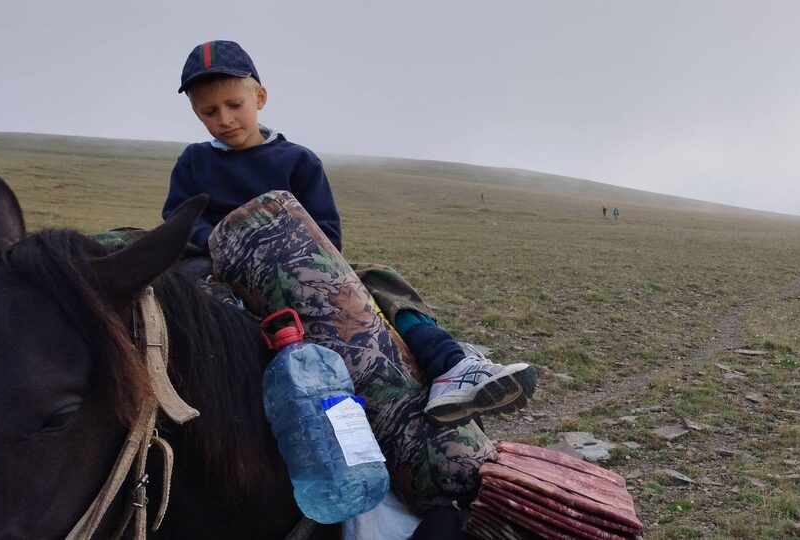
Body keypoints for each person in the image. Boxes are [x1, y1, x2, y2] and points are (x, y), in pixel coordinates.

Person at [161, 40, 536, 425]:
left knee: (378, 280)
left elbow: (326, 233)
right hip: (220, 271)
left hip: (299, 274)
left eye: (234, 104)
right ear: (196, 113)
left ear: (260, 97)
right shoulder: (194, 161)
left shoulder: (298, 161)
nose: (224, 119)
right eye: (210, 111)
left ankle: (450, 366)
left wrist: (285, 256)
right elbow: (178, 218)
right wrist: (225, 244)